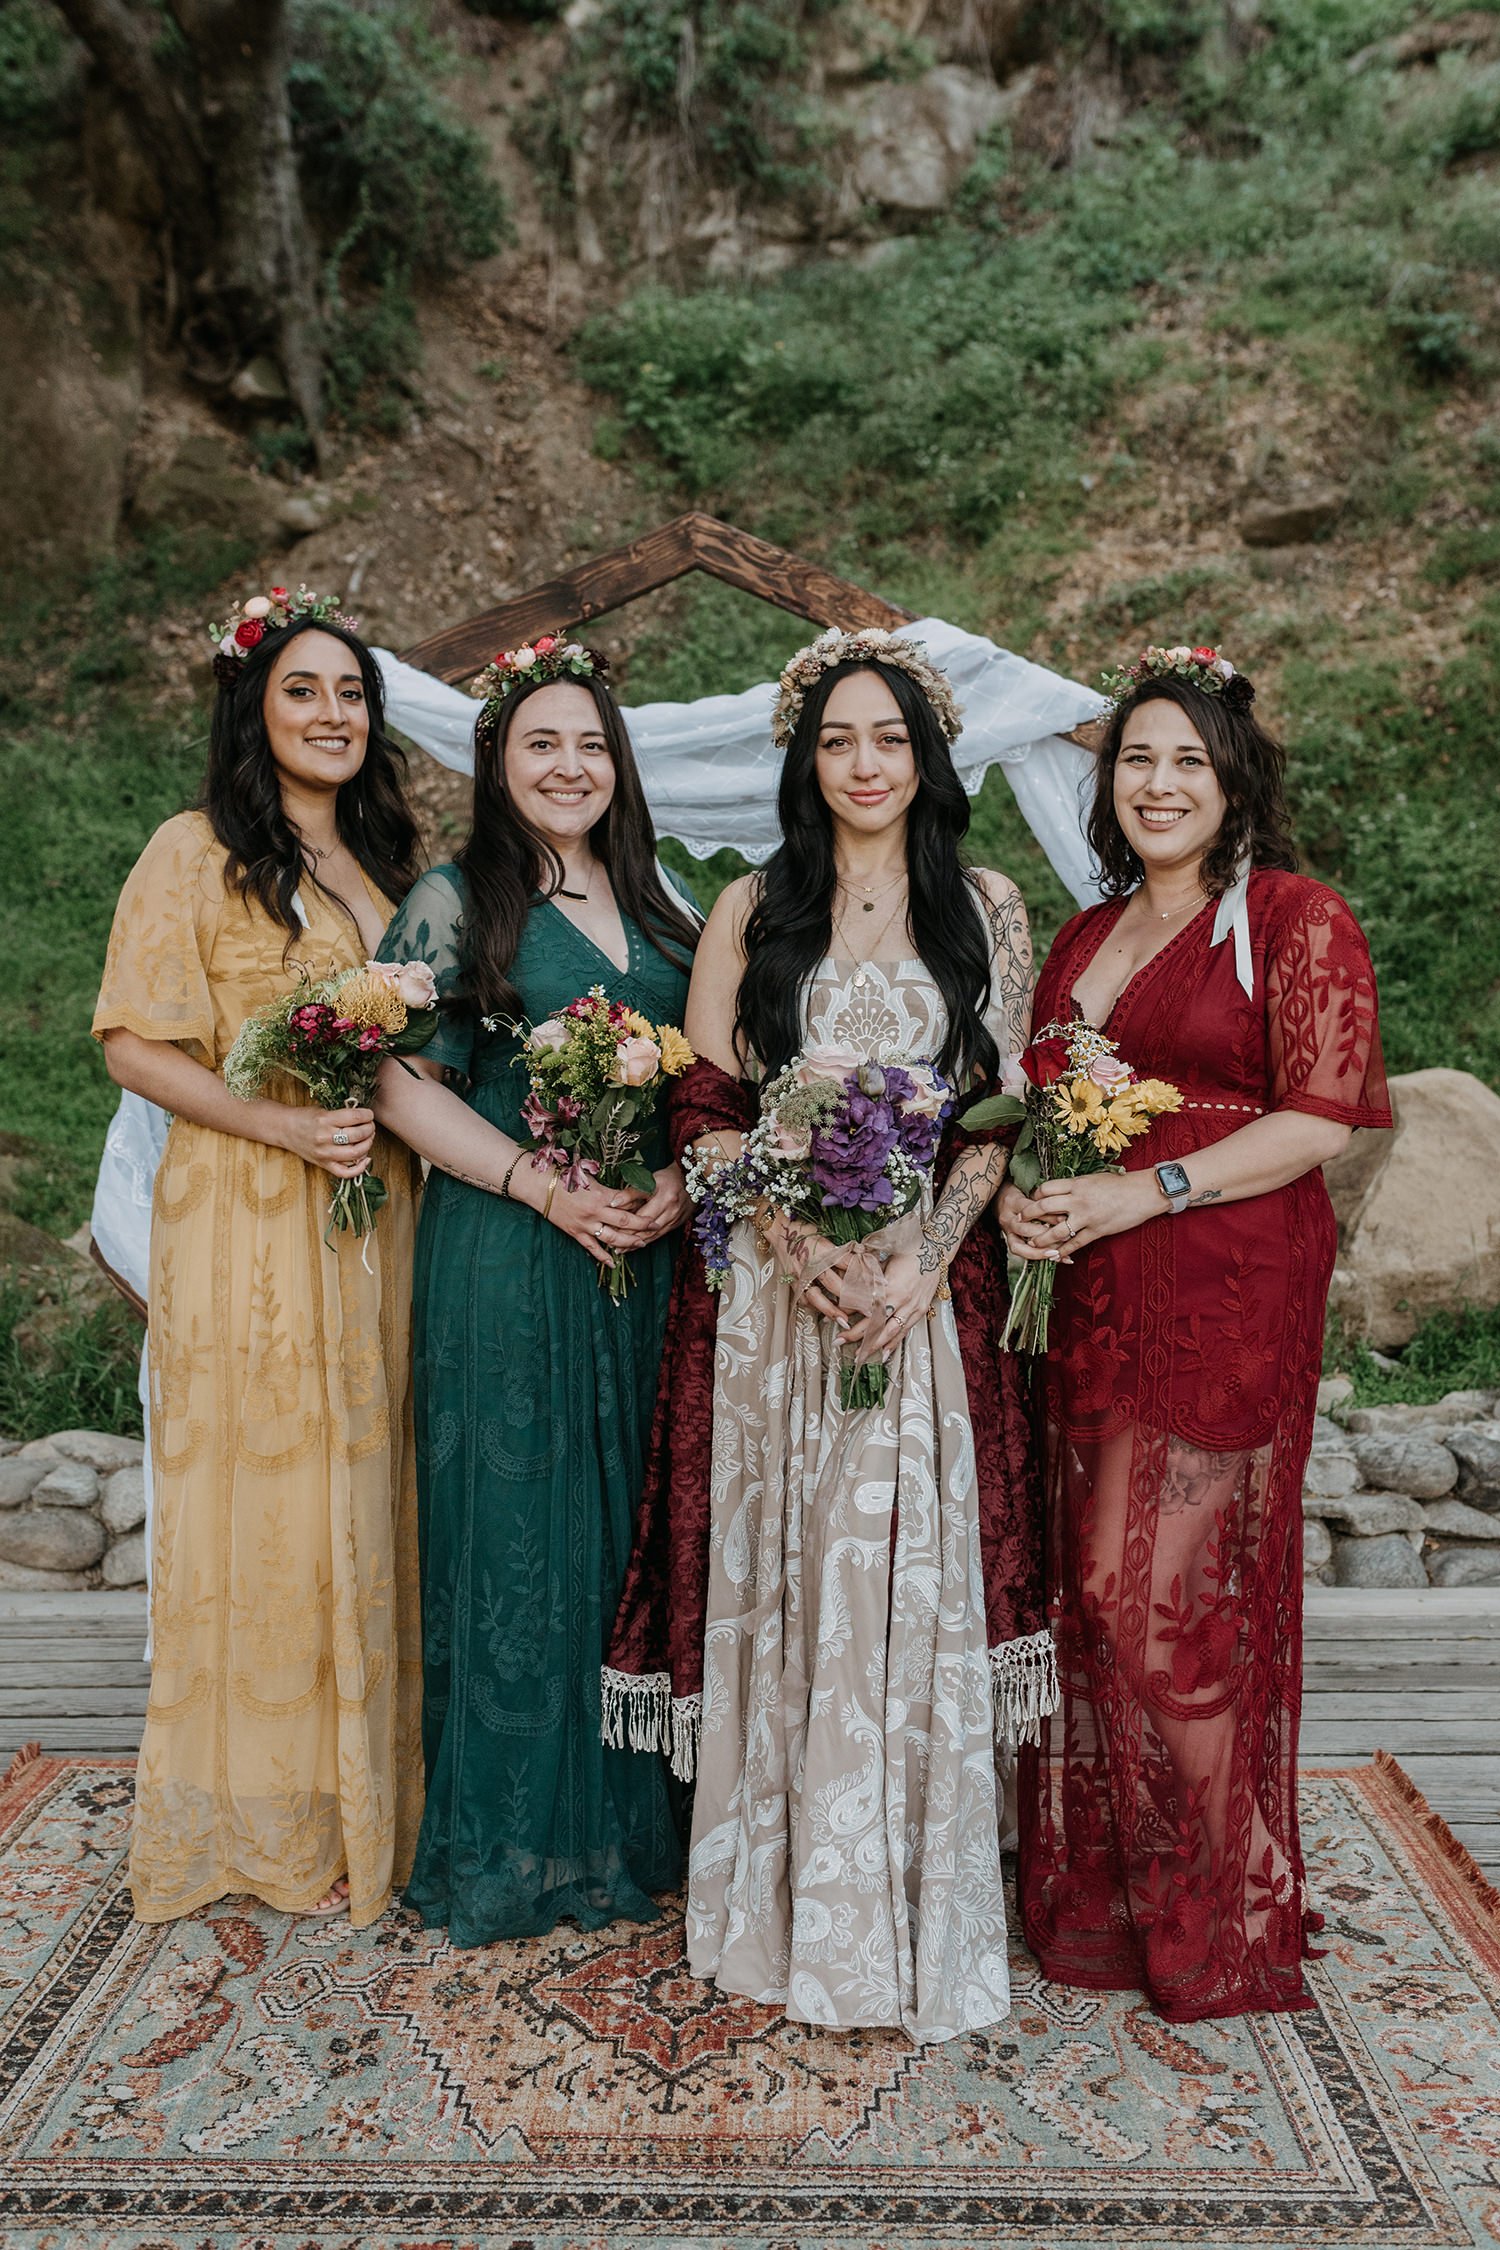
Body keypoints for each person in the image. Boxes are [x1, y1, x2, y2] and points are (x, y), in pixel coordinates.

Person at [607, 626, 1054, 2043]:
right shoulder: (755, 904)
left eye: (893, 738)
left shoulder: (985, 903)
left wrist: (923, 1253)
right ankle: (780, 1903)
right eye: (840, 740)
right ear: (806, 760)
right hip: (777, 1306)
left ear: (929, 757)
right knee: (797, 1577)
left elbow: (1003, 1103)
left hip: (915, 1306)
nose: (867, 764)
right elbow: (704, 1101)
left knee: (895, 1576)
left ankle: (902, 1902)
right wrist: (794, 1242)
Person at [1004, 644, 1391, 2022]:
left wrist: (1146, 1183)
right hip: (1093, 1293)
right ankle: (1115, 1890)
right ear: (1103, 783)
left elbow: (1321, 1115)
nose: (1161, 783)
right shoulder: (1078, 934)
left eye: (1189, 760)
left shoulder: (1294, 917)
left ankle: (1225, 1909)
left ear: (1235, 782)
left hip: (1224, 1277)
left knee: (1162, 1595)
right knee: (1088, 1590)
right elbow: (1037, 1100)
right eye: (1137, 759)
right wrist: (1029, 1195)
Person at [93, 585, 424, 1925]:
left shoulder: (389, 859)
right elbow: (131, 1041)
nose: (331, 713)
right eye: (303, 690)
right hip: (242, 1212)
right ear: (256, 707)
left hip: (372, 1211)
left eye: (351, 693)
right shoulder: (189, 852)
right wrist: (281, 1124)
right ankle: (259, 1811)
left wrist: (350, 870)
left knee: (365, 1486)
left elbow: (432, 996)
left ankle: (368, 1797)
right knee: (263, 1496)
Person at [372, 633, 700, 1946]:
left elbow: (708, 1074)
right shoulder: (459, 900)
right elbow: (396, 1083)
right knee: (522, 1537)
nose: (568, 765)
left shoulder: (665, 907)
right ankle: (518, 1836)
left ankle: (628, 1825)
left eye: (588, 743)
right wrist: (541, 1187)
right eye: (538, 744)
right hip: (512, 1250)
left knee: (628, 1534)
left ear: (618, 764)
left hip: (649, 1253)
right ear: (496, 767)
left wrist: (683, 1182)